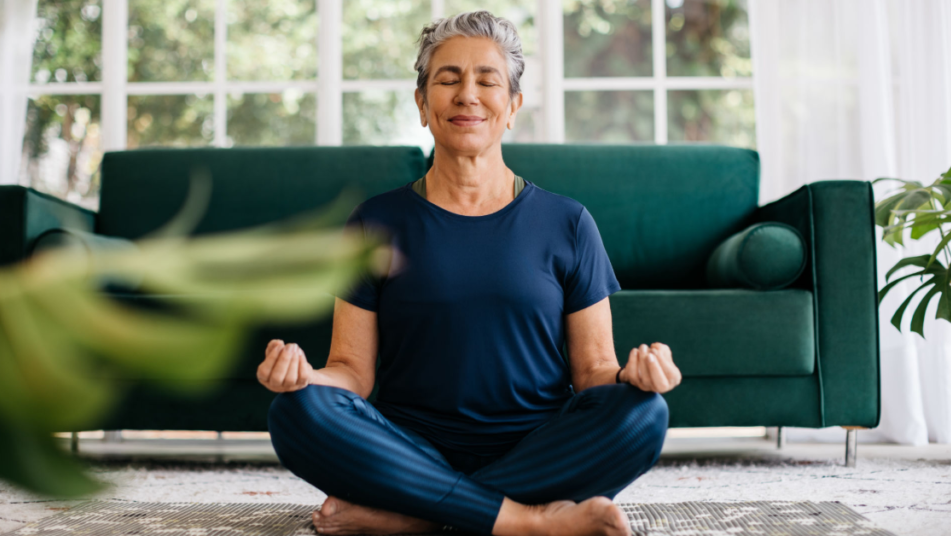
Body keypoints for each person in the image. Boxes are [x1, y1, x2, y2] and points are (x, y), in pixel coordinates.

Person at [258, 11, 682, 536]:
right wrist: (305, 379)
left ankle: (415, 517)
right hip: (408, 446)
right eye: (448, 79)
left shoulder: (568, 221)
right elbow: (351, 370)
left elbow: (594, 371)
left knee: (644, 414)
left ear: (512, 107)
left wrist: (636, 376)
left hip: (536, 446)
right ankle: (527, 522)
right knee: (295, 412)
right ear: (422, 103)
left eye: (487, 80)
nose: (468, 95)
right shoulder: (376, 221)